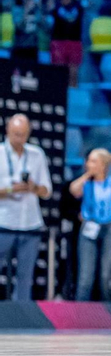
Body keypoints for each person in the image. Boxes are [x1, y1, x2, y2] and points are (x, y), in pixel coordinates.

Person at [0, 115, 52, 302]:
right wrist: (10, 189)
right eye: (16, 134)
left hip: (30, 223)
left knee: (25, 277)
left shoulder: (37, 154)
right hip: (3, 222)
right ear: (7, 130)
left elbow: (46, 191)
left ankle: (21, 314)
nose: (19, 138)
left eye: (23, 134)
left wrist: (33, 187)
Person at [69, 148, 111, 301]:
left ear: (103, 164)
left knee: (106, 275)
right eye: (89, 161)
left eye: (94, 161)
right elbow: (73, 190)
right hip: (89, 228)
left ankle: (108, 310)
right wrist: (87, 175)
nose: (89, 164)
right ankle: (80, 310)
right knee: (85, 276)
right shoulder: (86, 183)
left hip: (110, 229)